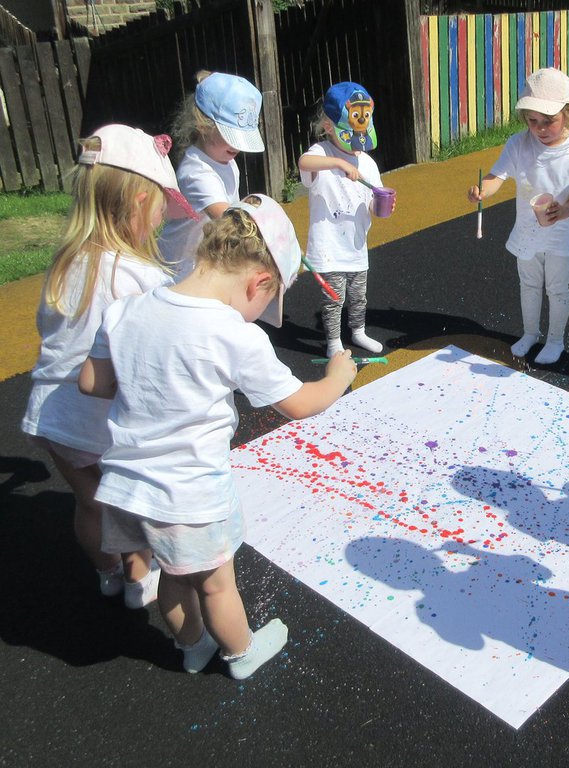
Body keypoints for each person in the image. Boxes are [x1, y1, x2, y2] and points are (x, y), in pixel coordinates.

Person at [79, 194, 357, 678]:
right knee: (214, 584)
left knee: (172, 573)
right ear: (260, 282)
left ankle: (192, 646)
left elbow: (92, 383)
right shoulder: (232, 334)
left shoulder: (127, 310)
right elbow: (298, 404)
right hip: (190, 492)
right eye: (267, 302)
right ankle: (241, 653)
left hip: (127, 485)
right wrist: (338, 377)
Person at [21, 123, 196, 608]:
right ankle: (139, 581)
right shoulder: (141, 277)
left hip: (55, 414)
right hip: (102, 418)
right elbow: (159, 347)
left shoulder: (65, 263)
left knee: (89, 503)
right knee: (126, 507)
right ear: (139, 202)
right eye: (160, 209)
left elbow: (48, 329)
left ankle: (107, 573)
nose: (161, 221)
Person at [467, 67, 569, 365]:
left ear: (568, 113)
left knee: (556, 288)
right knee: (528, 284)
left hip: (561, 232)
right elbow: (497, 175)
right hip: (528, 229)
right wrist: (482, 191)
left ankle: (555, 340)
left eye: (548, 120)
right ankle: (530, 333)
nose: (539, 128)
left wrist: (564, 210)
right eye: (532, 120)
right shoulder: (519, 143)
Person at [299, 81, 391, 358]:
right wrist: (339, 163)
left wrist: (381, 205)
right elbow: (304, 163)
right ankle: (333, 341)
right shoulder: (322, 152)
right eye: (350, 136)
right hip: (329, 246)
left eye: (361, 136)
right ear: (328, 127)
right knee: (334, 298)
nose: (356, 143)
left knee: (358, 295)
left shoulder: (368, 163)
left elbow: (373, 200)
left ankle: (358, 331)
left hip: (356, 245)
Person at [159, 71, 264, 280]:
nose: (237, 146)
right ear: (203, 126)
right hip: (179, 269)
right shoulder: (197, 172)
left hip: (202, 262)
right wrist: (273, 235)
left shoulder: (226, 159)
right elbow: (230, 221)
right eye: (231, 136)